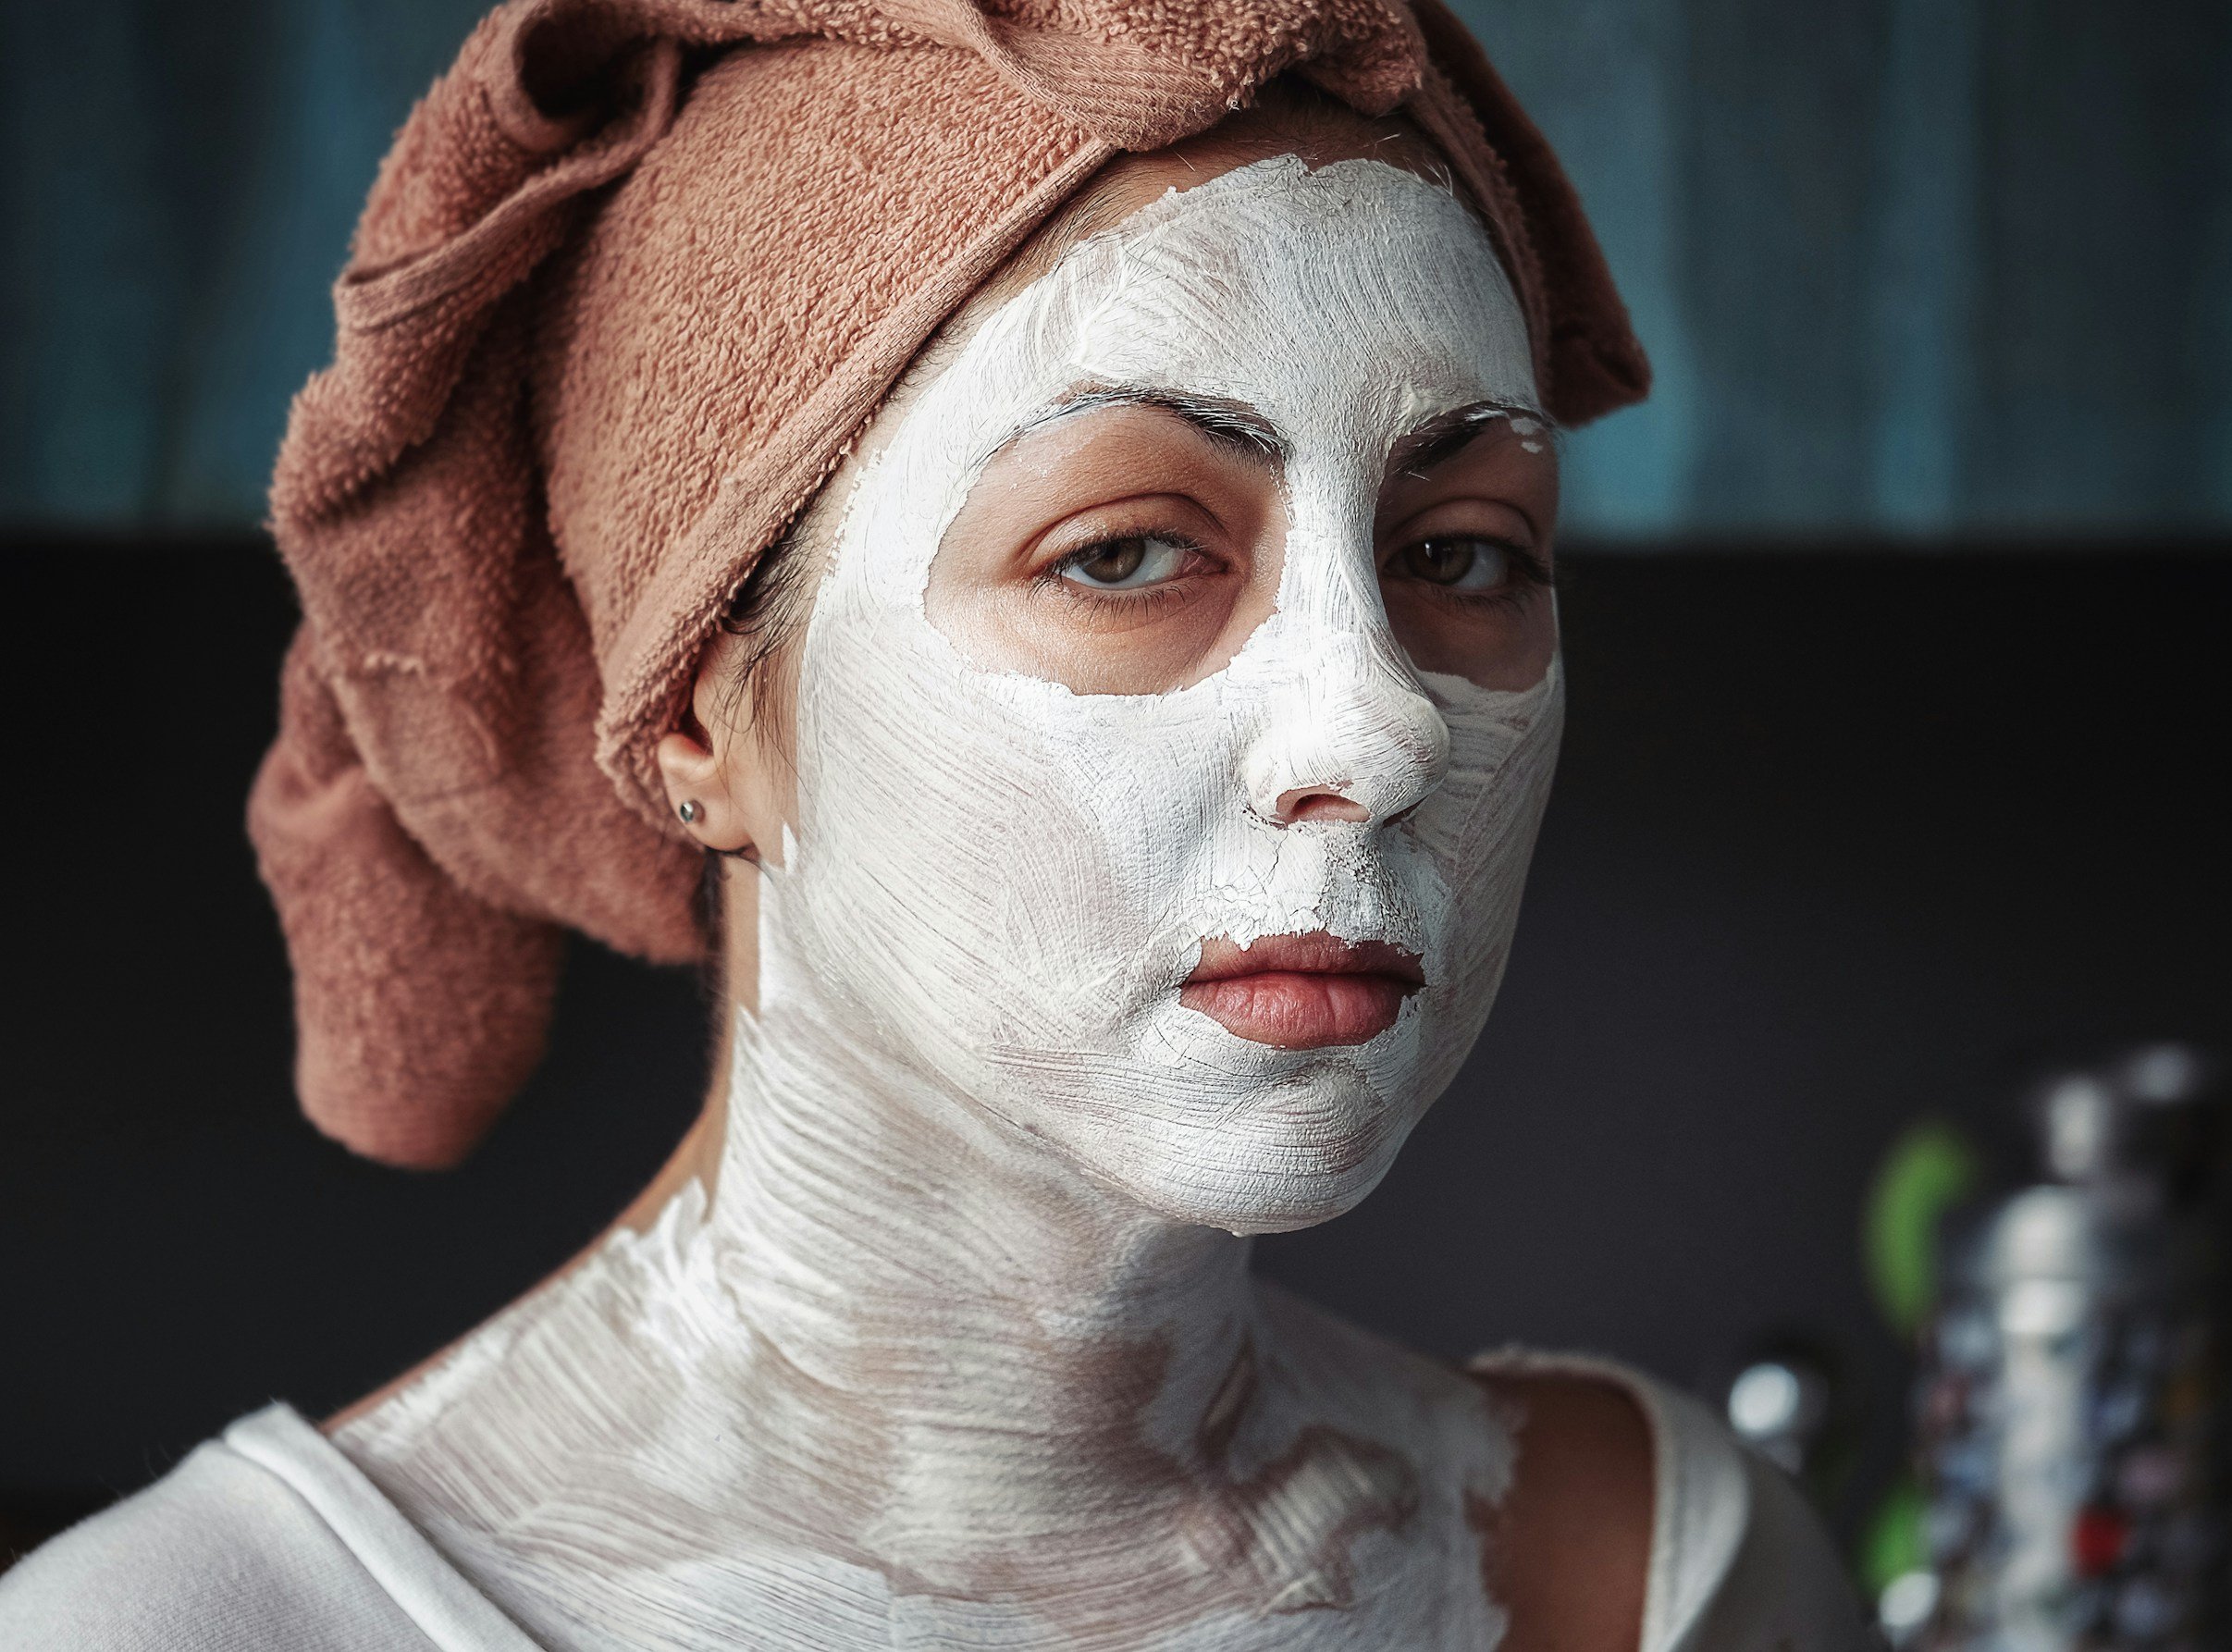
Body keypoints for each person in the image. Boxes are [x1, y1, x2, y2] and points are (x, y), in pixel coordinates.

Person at [0, 1, 1869, 1646]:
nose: (1377, 728)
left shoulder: (1649, 1581)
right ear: (695, 719)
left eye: (1460, 553)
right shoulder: (192, 1632)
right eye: (1123, 552)